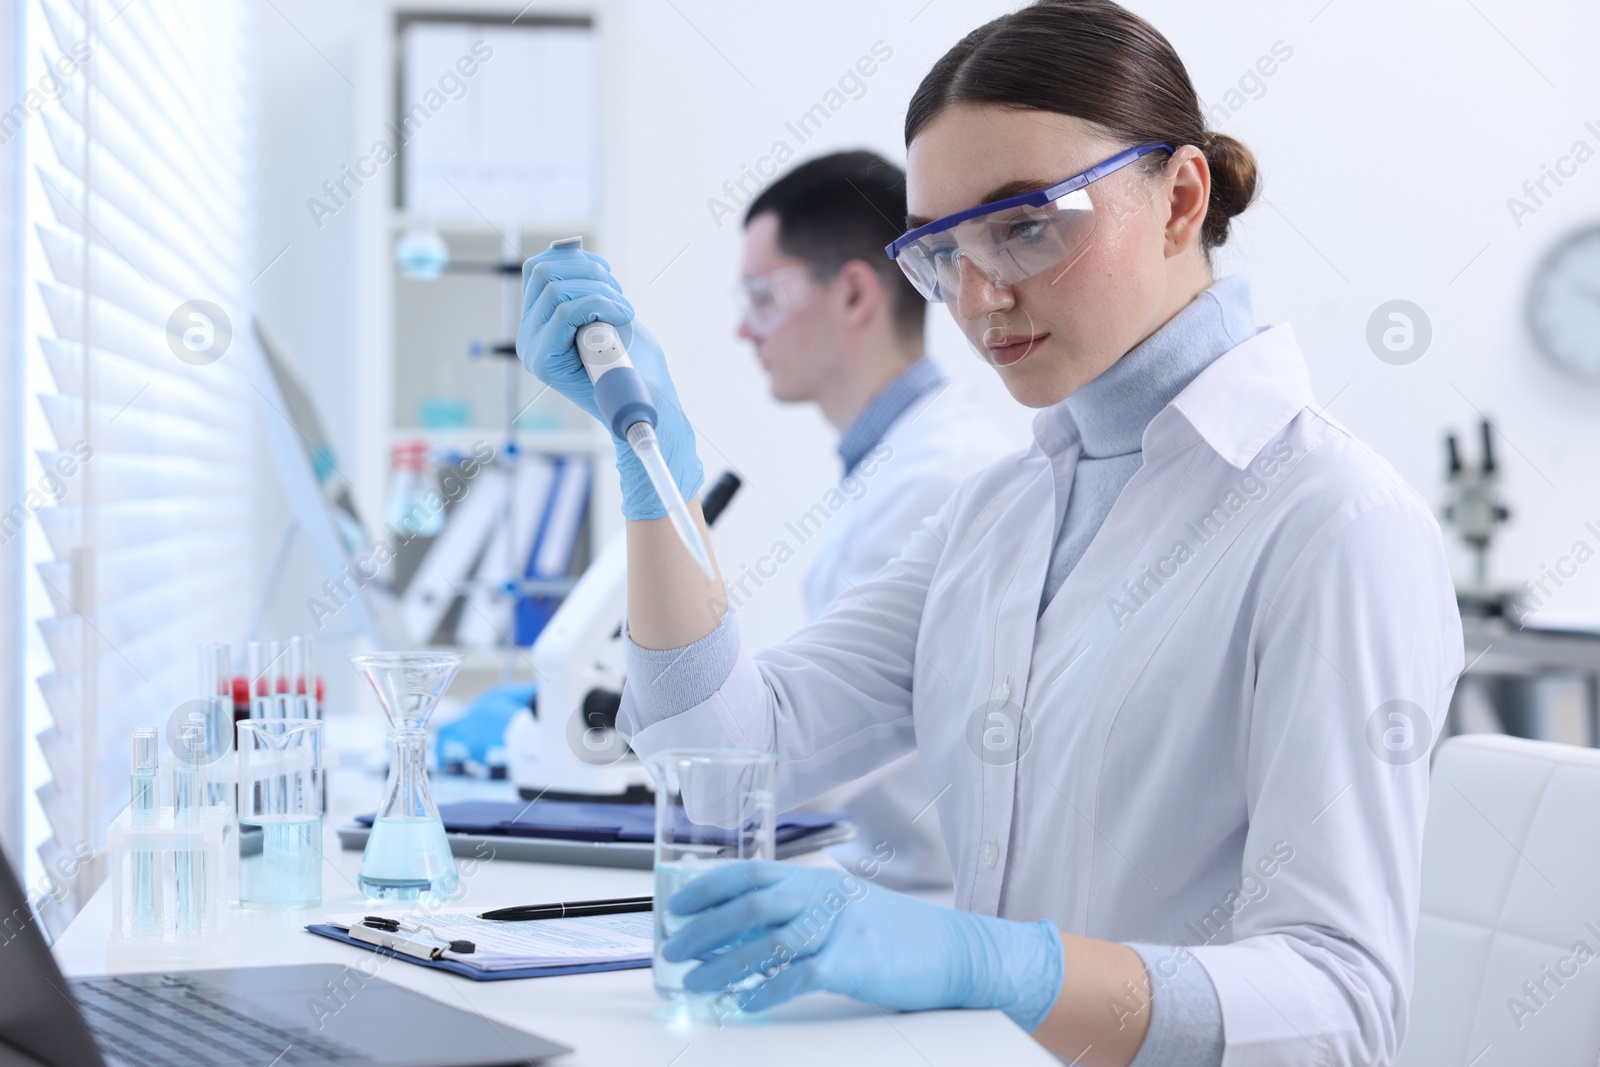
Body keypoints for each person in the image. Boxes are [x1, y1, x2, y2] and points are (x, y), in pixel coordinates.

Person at [516, 1, 1462, 1062]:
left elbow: (1340, 1004)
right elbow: (719, 749)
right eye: (942, 249)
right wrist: (657, 469)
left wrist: (1005, 964)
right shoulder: (997, 510)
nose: (980, 295)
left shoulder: (1335, 521)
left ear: (1179, 197)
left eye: (1025, 222)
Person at [733, 151, 1011, 892]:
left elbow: (820, 738)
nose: (743, 330)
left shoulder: (940, 473)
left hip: (922, 906)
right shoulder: (898, 460)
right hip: (881, 883)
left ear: (855, 293)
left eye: (762, 298)